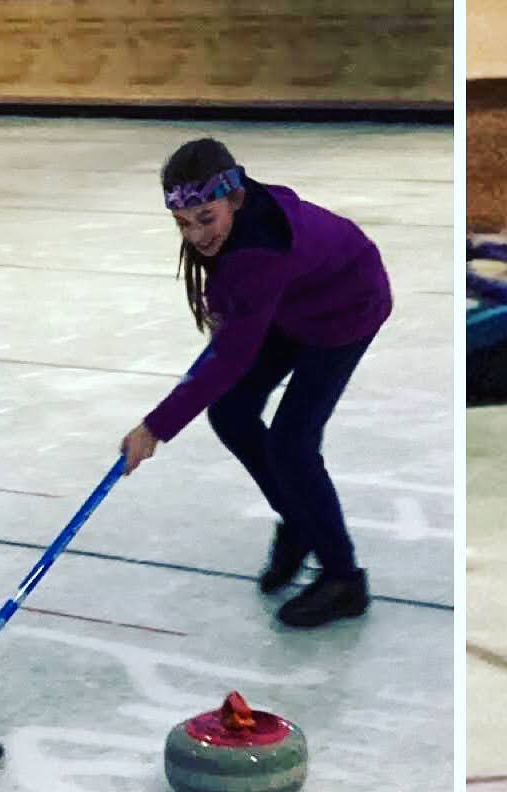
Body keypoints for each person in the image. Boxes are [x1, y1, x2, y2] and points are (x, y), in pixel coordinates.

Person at [120, 138, 393, 629]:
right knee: (230, 412)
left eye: (206, 218)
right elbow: (239, 323)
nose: (197, 235)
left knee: (293, 442)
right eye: (183, 223)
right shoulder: (240, 238)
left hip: (346, 308)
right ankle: (298, 521)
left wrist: (154, 427)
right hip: (291, 305)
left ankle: (344, 578)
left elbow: (232, 357)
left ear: (236, 197)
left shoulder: (259, 252)